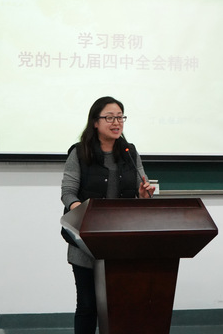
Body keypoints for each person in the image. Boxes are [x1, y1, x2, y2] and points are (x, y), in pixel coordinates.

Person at [60, 96, 155, 334]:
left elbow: (140, 190)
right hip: (85, 242)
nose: (116, 123)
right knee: (87, 305)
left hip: (121, 242)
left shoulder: (129, 152)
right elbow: (68, 193)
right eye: (110, 117)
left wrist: (143, 194)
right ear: (95, 122)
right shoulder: (80, 152)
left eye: (120, 117)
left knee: (120, 305)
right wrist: (84, 214)